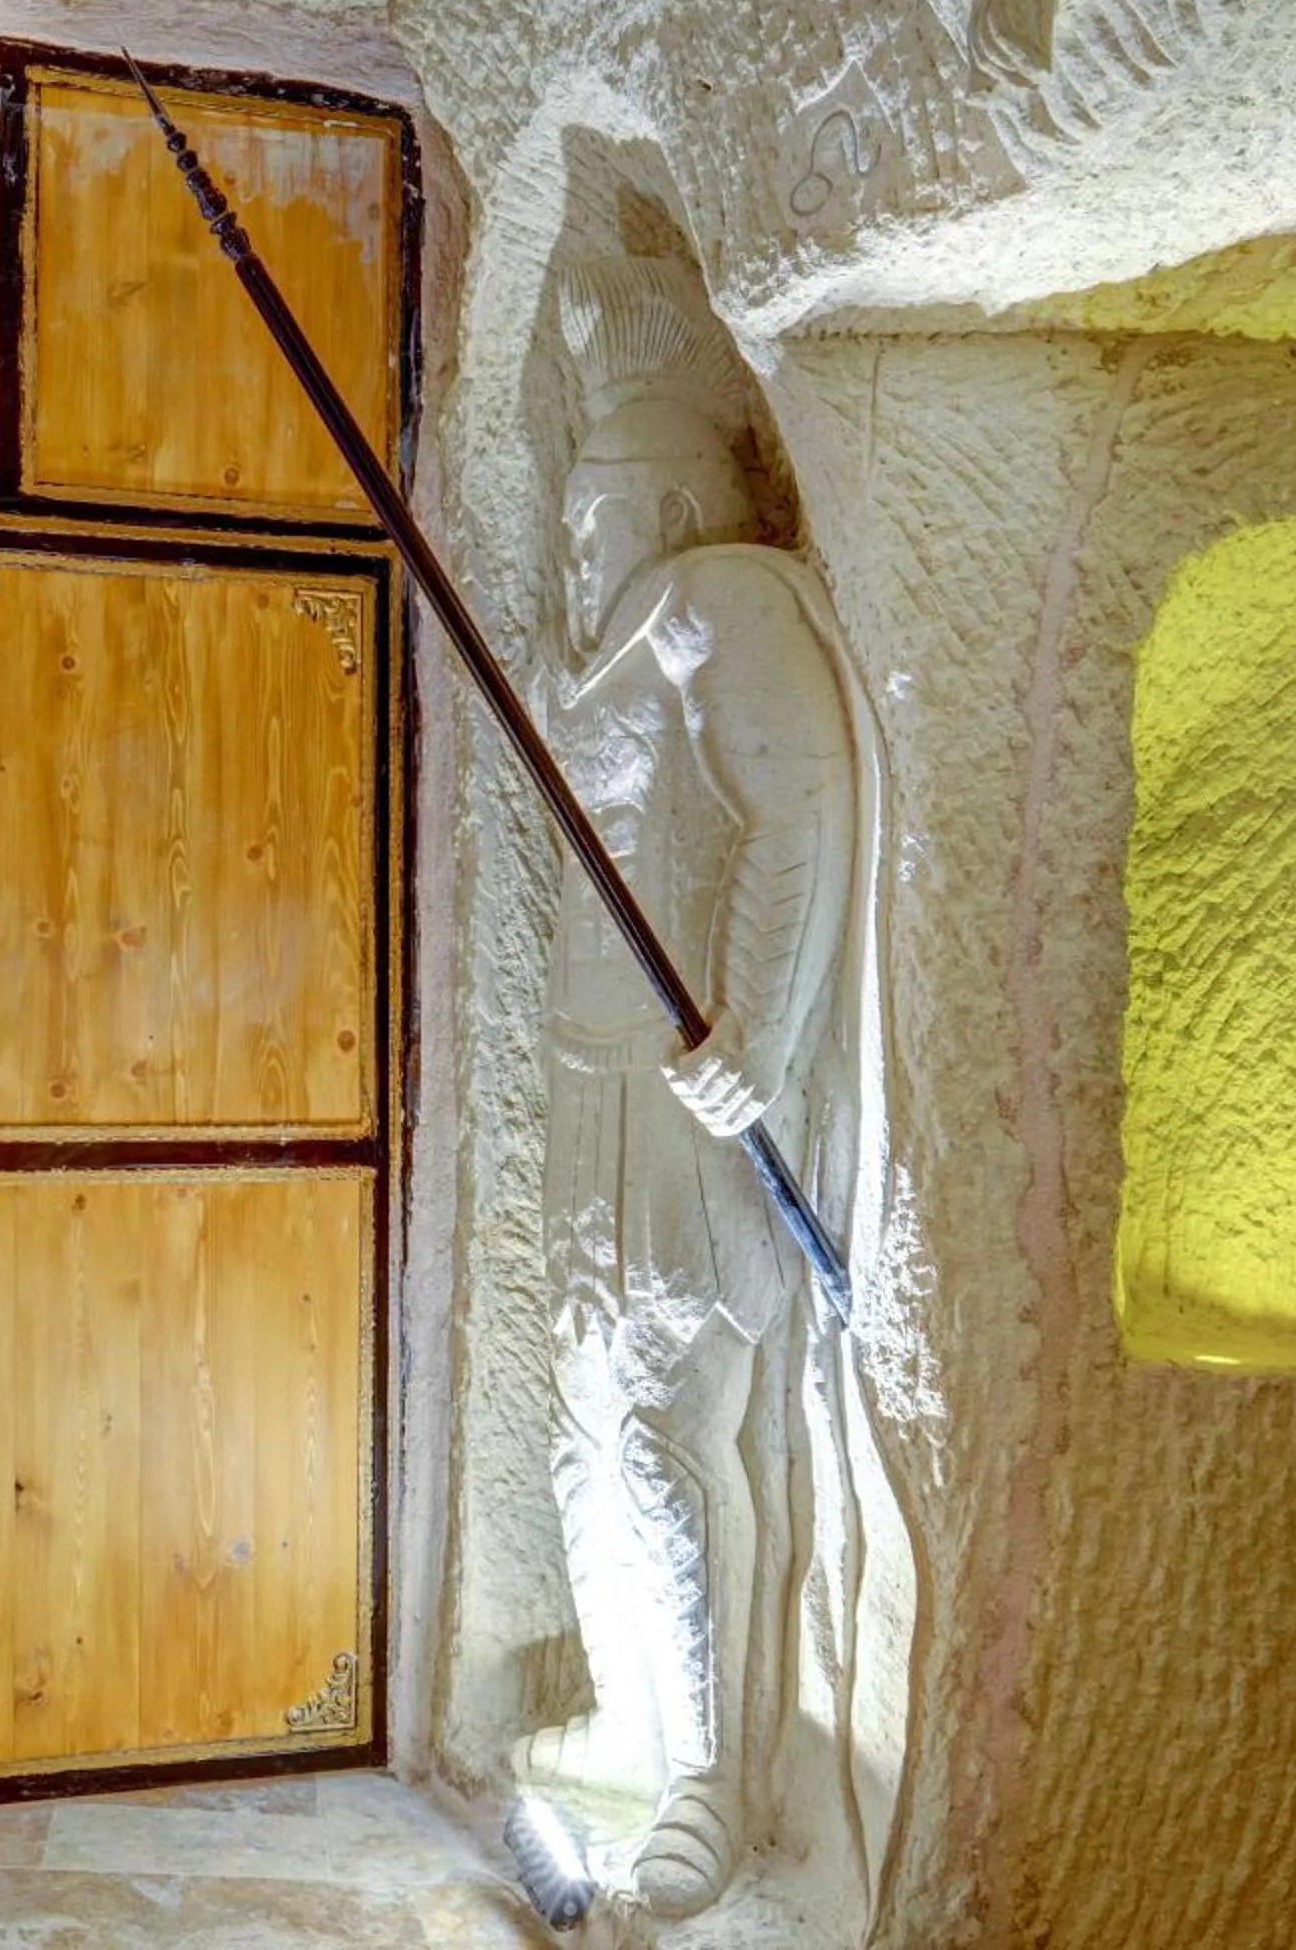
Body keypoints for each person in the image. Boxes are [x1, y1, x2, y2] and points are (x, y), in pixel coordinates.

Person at [518, 259, 881, 1920]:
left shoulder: (716, 607)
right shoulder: (599, 640)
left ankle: (709, 1779)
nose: (580, 553)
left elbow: (796, 815)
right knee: (596, 1425)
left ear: (667, 501)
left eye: (601, 523)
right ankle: (653, 1725)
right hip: (591, 1079)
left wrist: (757, 1025)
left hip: (685, 1090)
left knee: (672, 1411)